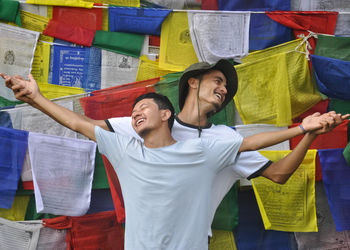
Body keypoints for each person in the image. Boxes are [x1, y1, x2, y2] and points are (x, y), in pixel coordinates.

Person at [0, 62, 347, 236]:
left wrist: (309, 134)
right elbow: (78, 124)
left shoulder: (222, 141)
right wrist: (36, 97)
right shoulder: (144, 122)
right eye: (218, 81)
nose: (224, 89)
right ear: (192, 82)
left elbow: (279, 174)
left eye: (226, 87)